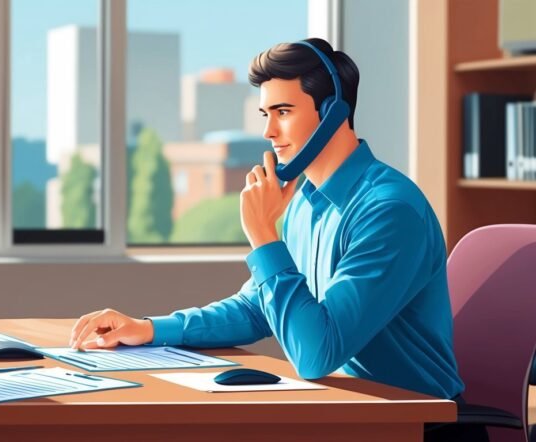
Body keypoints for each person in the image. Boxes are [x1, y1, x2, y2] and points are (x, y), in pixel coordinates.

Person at [70, 38, 471, 440]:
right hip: (349, 412)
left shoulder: (388, 211)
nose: (268, 131)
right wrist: (149, 329)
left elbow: (317, 354)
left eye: (283, 112)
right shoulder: (305, 202)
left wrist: (262, 234)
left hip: (416, 424)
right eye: (265, 113)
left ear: (332, 113)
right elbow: (257, 308)